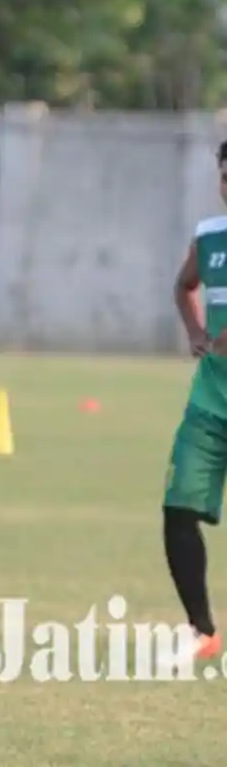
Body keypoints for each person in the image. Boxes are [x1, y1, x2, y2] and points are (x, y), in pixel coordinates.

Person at [162, 139, 227, 664]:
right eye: (226, 176)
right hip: (210, 403)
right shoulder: (209, 237)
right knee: (178, 508)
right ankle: (201, 630)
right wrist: (197, 332)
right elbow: (185, 285)